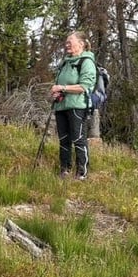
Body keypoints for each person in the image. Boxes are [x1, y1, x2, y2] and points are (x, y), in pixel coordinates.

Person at [50, 30, 97, 180]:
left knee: (78, 139)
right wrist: (57, 91)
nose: (67, 45)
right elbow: (60, 83)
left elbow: (84, 86)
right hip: (61, 106)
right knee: (64, 139)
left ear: (81, 44)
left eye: (70, 42)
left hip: (78, 106)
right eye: (66, 42)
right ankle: (65, 170)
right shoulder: (65, 62)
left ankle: (81, 173)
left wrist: (62, 88)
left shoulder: (86, 62)